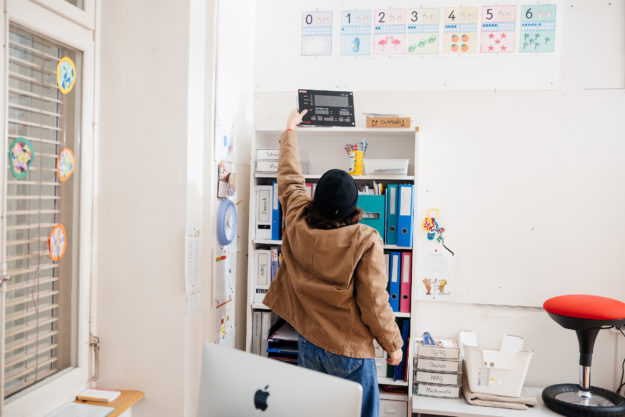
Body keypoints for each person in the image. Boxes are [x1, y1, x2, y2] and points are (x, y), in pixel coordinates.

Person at [263, 109, 403, 417]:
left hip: (309, 342)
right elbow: (374, 302)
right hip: (349, 352)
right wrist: (393, 344)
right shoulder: (365, 239)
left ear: (316, 200)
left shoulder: (298, 218)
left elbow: (288, 178)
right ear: (355, 207)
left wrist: (290, 131)